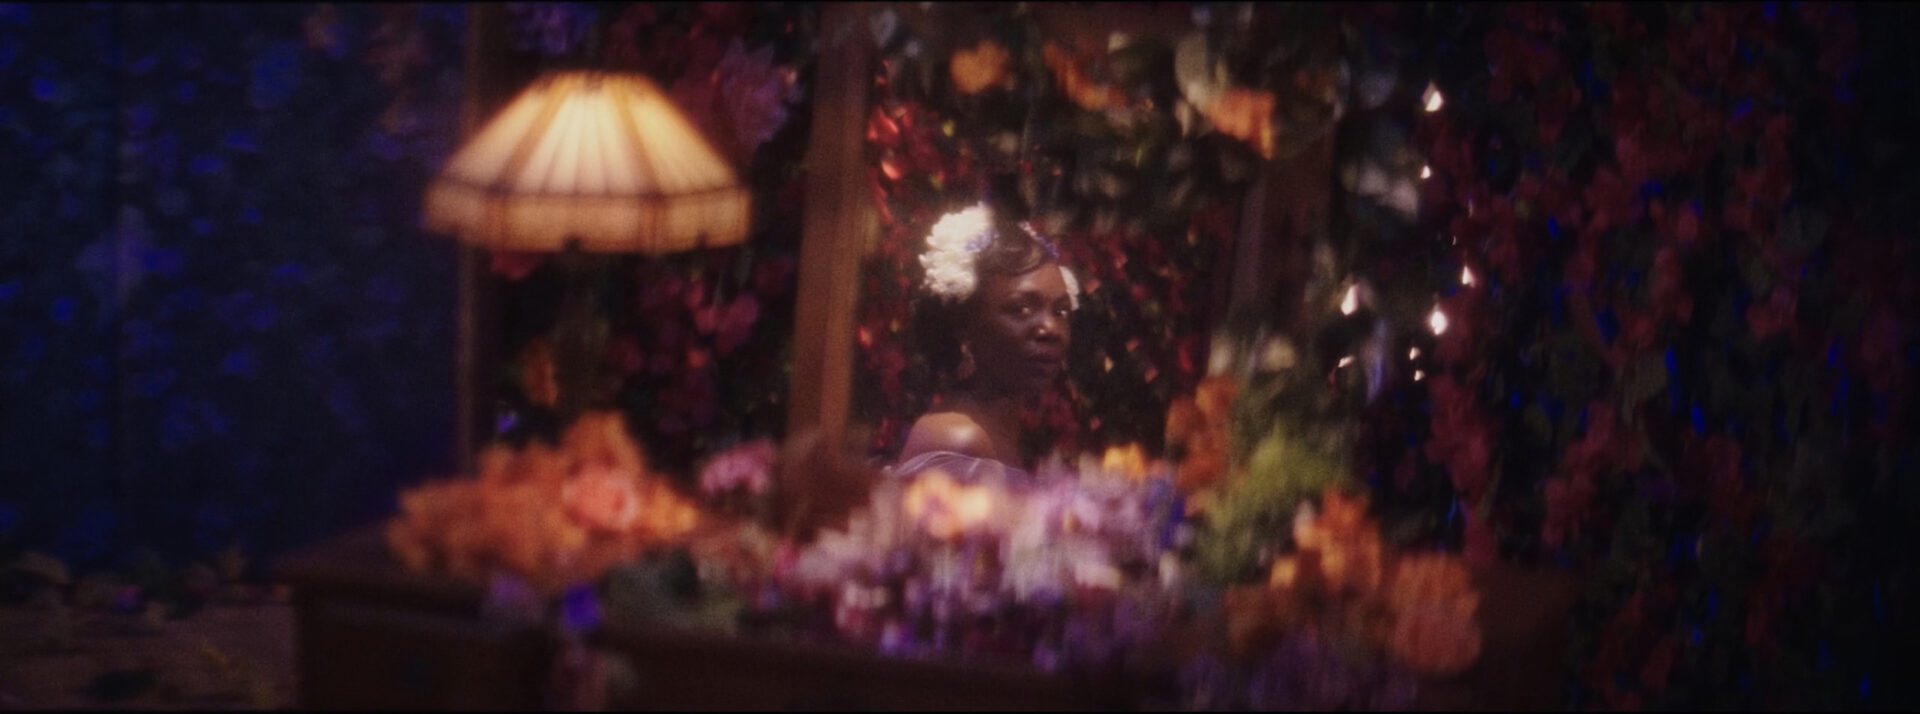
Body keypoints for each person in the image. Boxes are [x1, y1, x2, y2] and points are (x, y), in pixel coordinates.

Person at [894, 199, 1080, 485]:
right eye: (1021, 308)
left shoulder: (1003, 430)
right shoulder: (958, 440)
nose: (1050, 328)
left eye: (1060, 310)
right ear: (963, 327)